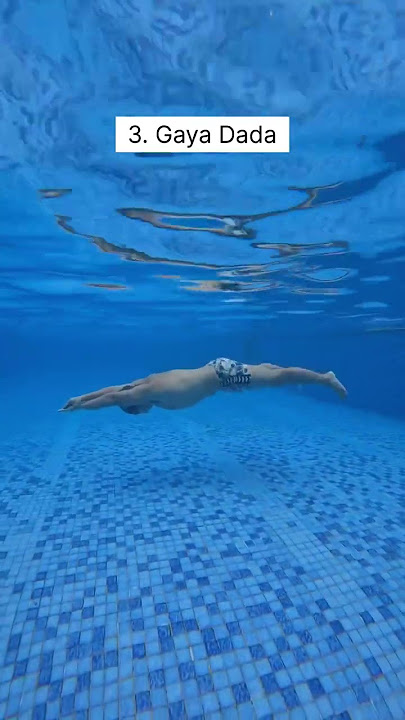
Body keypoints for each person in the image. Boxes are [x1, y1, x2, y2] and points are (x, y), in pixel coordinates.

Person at [58, 358, 347, 416]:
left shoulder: (146, 392)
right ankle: (267, 366)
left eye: (139, 412)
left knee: (277, 379)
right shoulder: (139, 386)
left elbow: (111, 399)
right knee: (269, 374)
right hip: (219, 375)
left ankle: (324, 377)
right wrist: (81, 396)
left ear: (134, 404)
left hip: (221, 376)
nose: (145, 413)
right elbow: (112, 389)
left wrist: (81, 407)